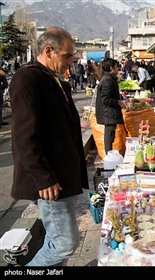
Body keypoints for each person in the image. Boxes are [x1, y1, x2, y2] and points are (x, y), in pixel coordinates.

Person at [8, 27, 89, 266]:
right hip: (49, 180)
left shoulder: (52, 79)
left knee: (56, 242)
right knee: (65, 243)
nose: (71, 61)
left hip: (61, 176)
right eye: (67, 55)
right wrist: (43, 177)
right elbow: (25, 136)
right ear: (48, 51)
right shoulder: (28, 78)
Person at [95, 58, 128, 155]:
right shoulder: (108, 80)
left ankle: (109, 155)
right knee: (109, 137)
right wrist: (118, 102)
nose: (118, 68)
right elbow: (105, 98)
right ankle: (109, 157)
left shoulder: (109, 78)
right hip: (108, 113)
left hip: (109, 112)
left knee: (110, 136)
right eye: (116, 66)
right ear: (111, 68)